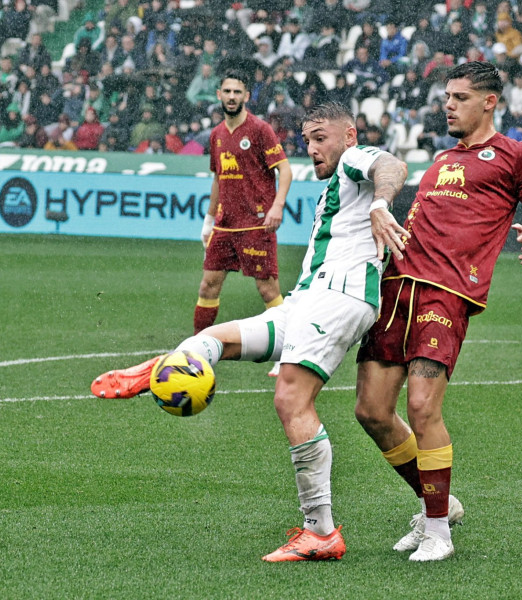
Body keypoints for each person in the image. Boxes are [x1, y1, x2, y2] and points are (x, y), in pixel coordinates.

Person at [89, 101, 411, 562]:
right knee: (212, 339)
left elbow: (391, 165)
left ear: (350, 136)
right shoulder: (335, 187)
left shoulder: (357, 163)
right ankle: (164, 368)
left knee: (290, 397)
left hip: (342, 298)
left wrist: (381, 203)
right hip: (306, 301)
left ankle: (319, 532)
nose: (313, 149)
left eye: (322, 138)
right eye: (308, 140)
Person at [354, 61, 522, 562]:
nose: (448, 104)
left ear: (490, 101)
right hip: (397, 286)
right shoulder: (443, 157)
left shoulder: (516, 157)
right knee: (371, 412)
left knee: (423, 408)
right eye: (446, 96)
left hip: (446, 293)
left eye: (459, 97)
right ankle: (441, 506)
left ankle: (437, 533)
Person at [195, 69, 293, 335]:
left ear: (246, 96)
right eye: (227, 91)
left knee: (267, 289)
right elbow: (218, 179)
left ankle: (288, 352)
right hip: (225, 225)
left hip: (256, 223)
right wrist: (208, 221)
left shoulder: (260, 130)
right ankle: (195, 352)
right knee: (208, 285)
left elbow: (285, 170)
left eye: (237, 92)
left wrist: (277, 206)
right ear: (218, 95)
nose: (231, 96)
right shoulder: (216, 134)